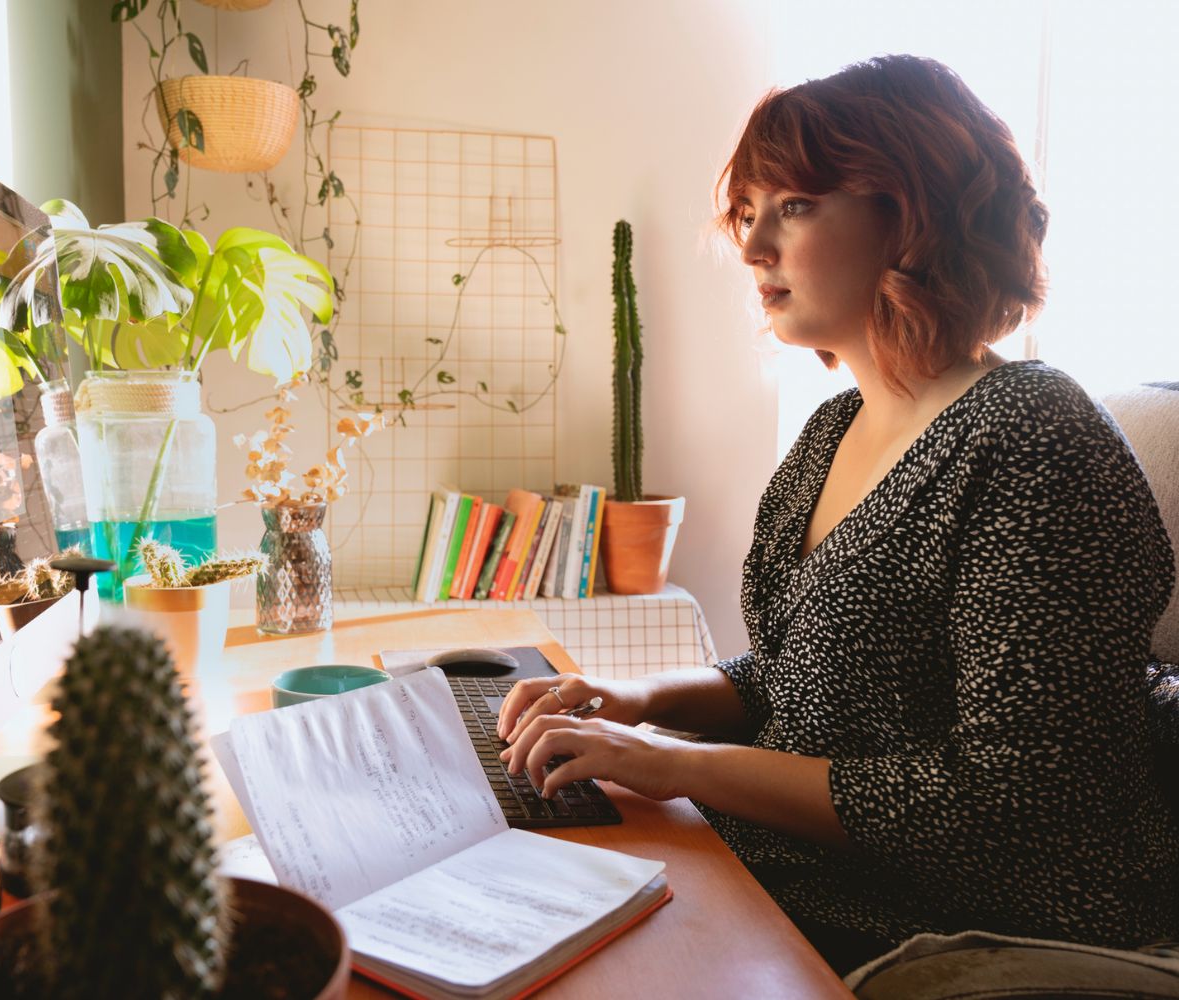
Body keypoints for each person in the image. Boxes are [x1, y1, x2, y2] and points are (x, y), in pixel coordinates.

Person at [497, 54, 1179, 975]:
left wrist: (677, 763)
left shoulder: (1031, 438)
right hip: (804, 876)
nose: (752, 247)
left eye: (796, 206)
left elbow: (1011, 801)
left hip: (946, 925)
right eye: (749, 213)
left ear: (914, 214)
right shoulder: (835, 427)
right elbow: (804, 676)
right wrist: (637, 701)